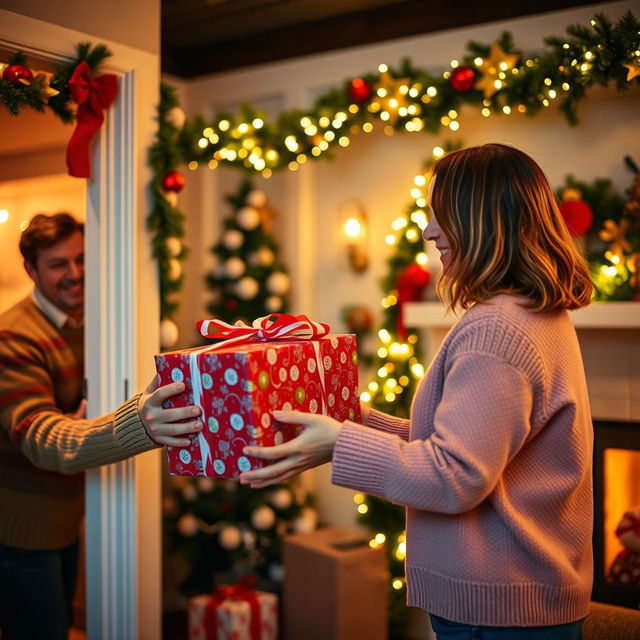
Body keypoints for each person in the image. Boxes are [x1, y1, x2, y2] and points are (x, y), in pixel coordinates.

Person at [239, 144, 594, 639]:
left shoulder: (497, 330)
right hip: (520, 601)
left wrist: (338, 444)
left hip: (498, 614)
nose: (429, 232)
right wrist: (353, 423)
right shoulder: (539, 316)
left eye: (439, 215)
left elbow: (455, 475)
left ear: (482, 219)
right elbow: (463, 446)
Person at [0, 213, 202, 640]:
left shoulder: (97, 322)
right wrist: (138, 425)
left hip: (65, 513)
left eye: (82, 258)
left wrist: (78, 423)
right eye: (58, 264)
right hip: (18, 528)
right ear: (31, 270)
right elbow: (41, 437)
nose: (75, 274)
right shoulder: (13, 337)